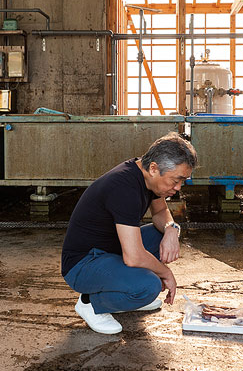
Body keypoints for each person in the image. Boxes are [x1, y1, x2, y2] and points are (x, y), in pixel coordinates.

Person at [61, 132, 197, 335]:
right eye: (175, 180)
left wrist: (171, 229)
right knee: (149, 286)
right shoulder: (125, 187)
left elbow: (160, 212)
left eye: (182, 181)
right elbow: (133, 256)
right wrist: (165, 273)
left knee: (160, 236)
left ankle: (128, 293)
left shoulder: (147, 176)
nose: (177, 188)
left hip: (109, 250)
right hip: (83, 264)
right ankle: (91, 303)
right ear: (154, 168)